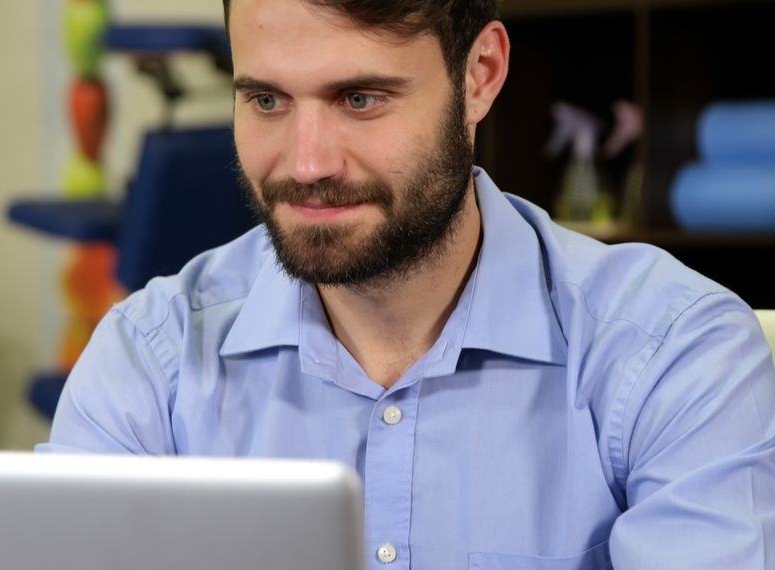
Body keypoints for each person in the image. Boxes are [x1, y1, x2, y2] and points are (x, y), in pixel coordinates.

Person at [38, 0, 775, 567]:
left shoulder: (675, 353)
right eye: (266, 100)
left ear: (480, 74)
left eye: (360, 98)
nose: (307, 163)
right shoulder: (149, 360)